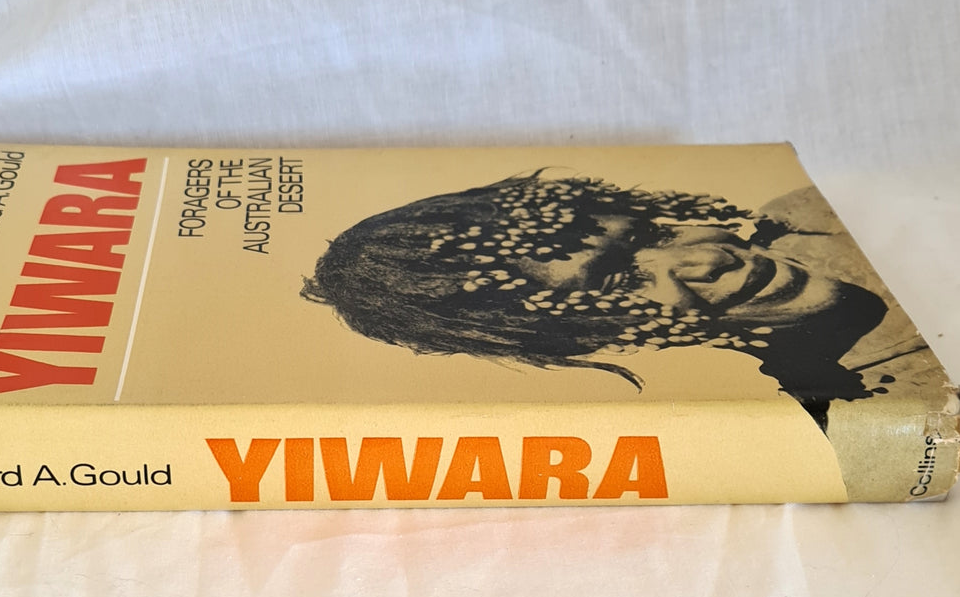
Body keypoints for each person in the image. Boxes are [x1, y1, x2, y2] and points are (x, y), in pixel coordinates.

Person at [301, 170, 924, 428]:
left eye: (652, 234)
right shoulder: (836, 416)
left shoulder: (815, 213)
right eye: (620, 282)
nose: (707, 260)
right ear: (584, 334)